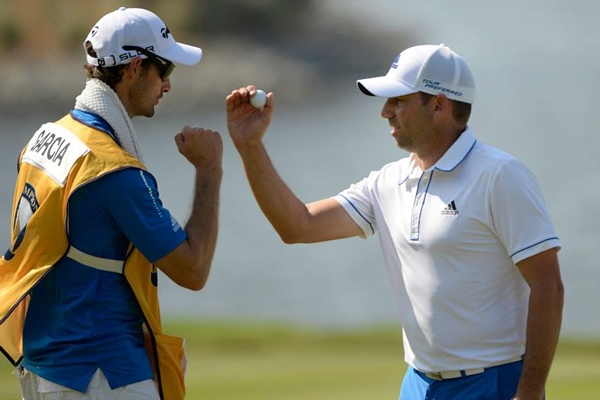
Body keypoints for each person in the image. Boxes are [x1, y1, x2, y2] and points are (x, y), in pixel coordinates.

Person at [225, 43, 564, 400]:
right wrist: (250, 146)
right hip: (418, 384)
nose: (385, 112)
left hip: (492, 383)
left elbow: (548, 286)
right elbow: (298, 226)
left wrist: (529, 392)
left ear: (439, 105)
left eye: (398, 101)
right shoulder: (388, 181)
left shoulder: (500, 175)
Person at [0, 7, 222, 400]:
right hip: (100, 374)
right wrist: (209, 169)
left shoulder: (46, 137)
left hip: (44, 368)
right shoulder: (113, 171)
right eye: (165, 70)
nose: (168, 85)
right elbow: (193, 270)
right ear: (135, 68)